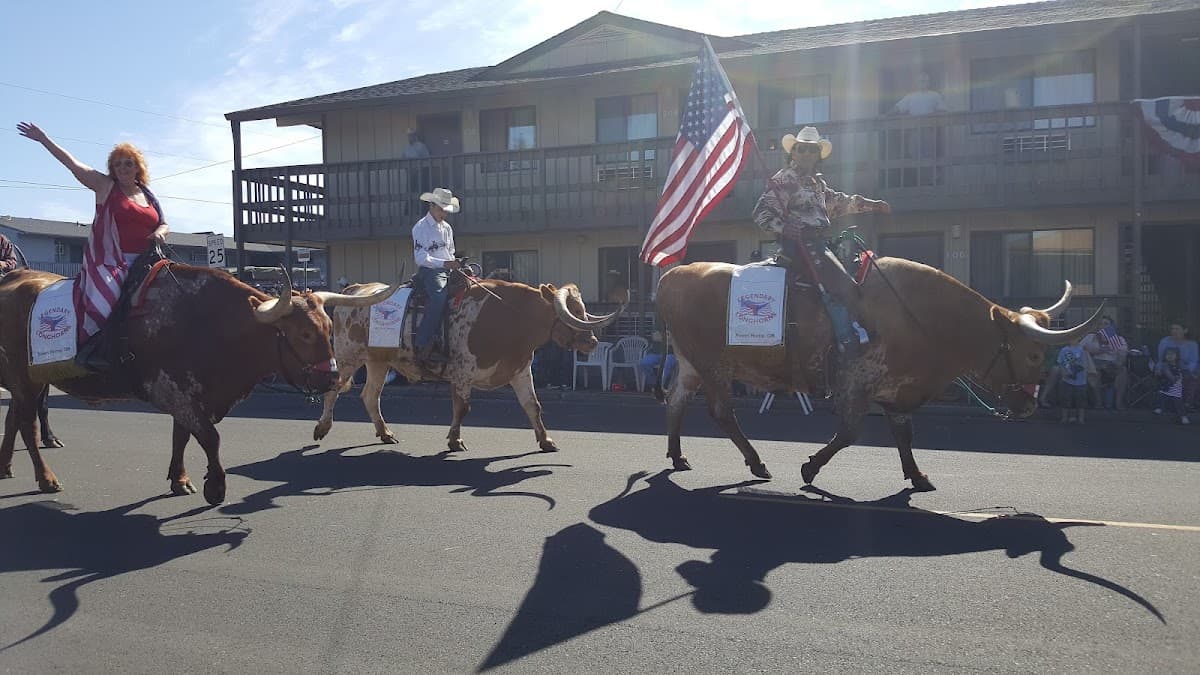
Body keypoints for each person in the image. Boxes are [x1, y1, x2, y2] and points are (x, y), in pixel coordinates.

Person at [18, 122, 168, 342]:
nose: (123, 168)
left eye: (128, 163)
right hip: (112, 263)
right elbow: (73, 165)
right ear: (113, 170)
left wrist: (160, 233)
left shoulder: (148, 193)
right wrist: (44, 139)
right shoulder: (106, 186)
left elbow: (163, 223)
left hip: (150, 260)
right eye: (118, 165)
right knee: (106, 301)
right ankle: (95, 349)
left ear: (138, 167)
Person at [753, 126, 890, 357]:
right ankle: (848, 345)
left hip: (818, 244)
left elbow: (839, 203)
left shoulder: (817, 184)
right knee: (842, 285)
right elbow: (761, 213)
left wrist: (871, 204)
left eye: (812, 149)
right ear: (793, 152)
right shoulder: (787, 178)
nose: (807, 153)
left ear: (818, 154)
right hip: (800, 247)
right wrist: (784, 227)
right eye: (802, 149)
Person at [412, 187, 460, 365]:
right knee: (439, 297)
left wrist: (454, 263)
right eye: (441, 209)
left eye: (445, 210)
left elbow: (451, 251)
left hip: (448, 269)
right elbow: (421, 258)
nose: (444, 214)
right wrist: (445, 264)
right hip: (430, 271)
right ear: (431, 206)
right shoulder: (420, 228)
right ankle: (423, 343)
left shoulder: (447, 228)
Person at [1082, 315, 1129, 409]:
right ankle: (1098, 402)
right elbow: (1079, 349)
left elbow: (1123, 353)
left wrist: (1112, 348)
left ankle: (1118, 402)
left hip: (1112, 364)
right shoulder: (1090, 337)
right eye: (1100, 324)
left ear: (1111, 326)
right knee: (1095, 372)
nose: (1103, 326)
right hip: (1094, 364)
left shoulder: (1118, 339)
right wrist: (1095, 351)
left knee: (1123, 371)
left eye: (1106, 324)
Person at [1157, 323, 1198, 410]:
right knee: (1165, 367)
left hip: (1184, 369)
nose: (1174, 331)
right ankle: (1174, 387)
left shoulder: (1192, 345)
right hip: (1167, 368)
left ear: (1185, 330)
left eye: (1177, 329)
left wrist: (1188, 371)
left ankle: (1187, 403)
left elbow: (1193, 362)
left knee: (1193, 376)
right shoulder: (1165, 341)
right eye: (1172, 329)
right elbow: (1161, 358)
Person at [1056, 337, 1093, 424]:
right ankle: (1064, 418)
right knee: (1065, 399)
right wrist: (1064, 372)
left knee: (1081, 400)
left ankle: (1081, 418)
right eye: (1071, 336)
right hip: (1066, 380)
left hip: (1081, 380)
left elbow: (1085, 364)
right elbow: (1060, 363)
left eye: (1075, 337)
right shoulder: (1064, 350)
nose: (1072, 339)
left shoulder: (1083, 350)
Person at [1153, 347, 1189, 425]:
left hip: (1175, 388)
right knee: (1160, 396)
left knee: (1178, 404)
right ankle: (1159, 407)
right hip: (1165, 387)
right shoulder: (1163, 364)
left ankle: (1183, 416)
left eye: (1172, 354)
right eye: (1168, 354)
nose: (1170, 356)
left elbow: (1177, 377)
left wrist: (1167, 373)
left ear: (1177, 356)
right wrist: (1158, 372)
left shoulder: (1178, 366)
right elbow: (1159, 375)